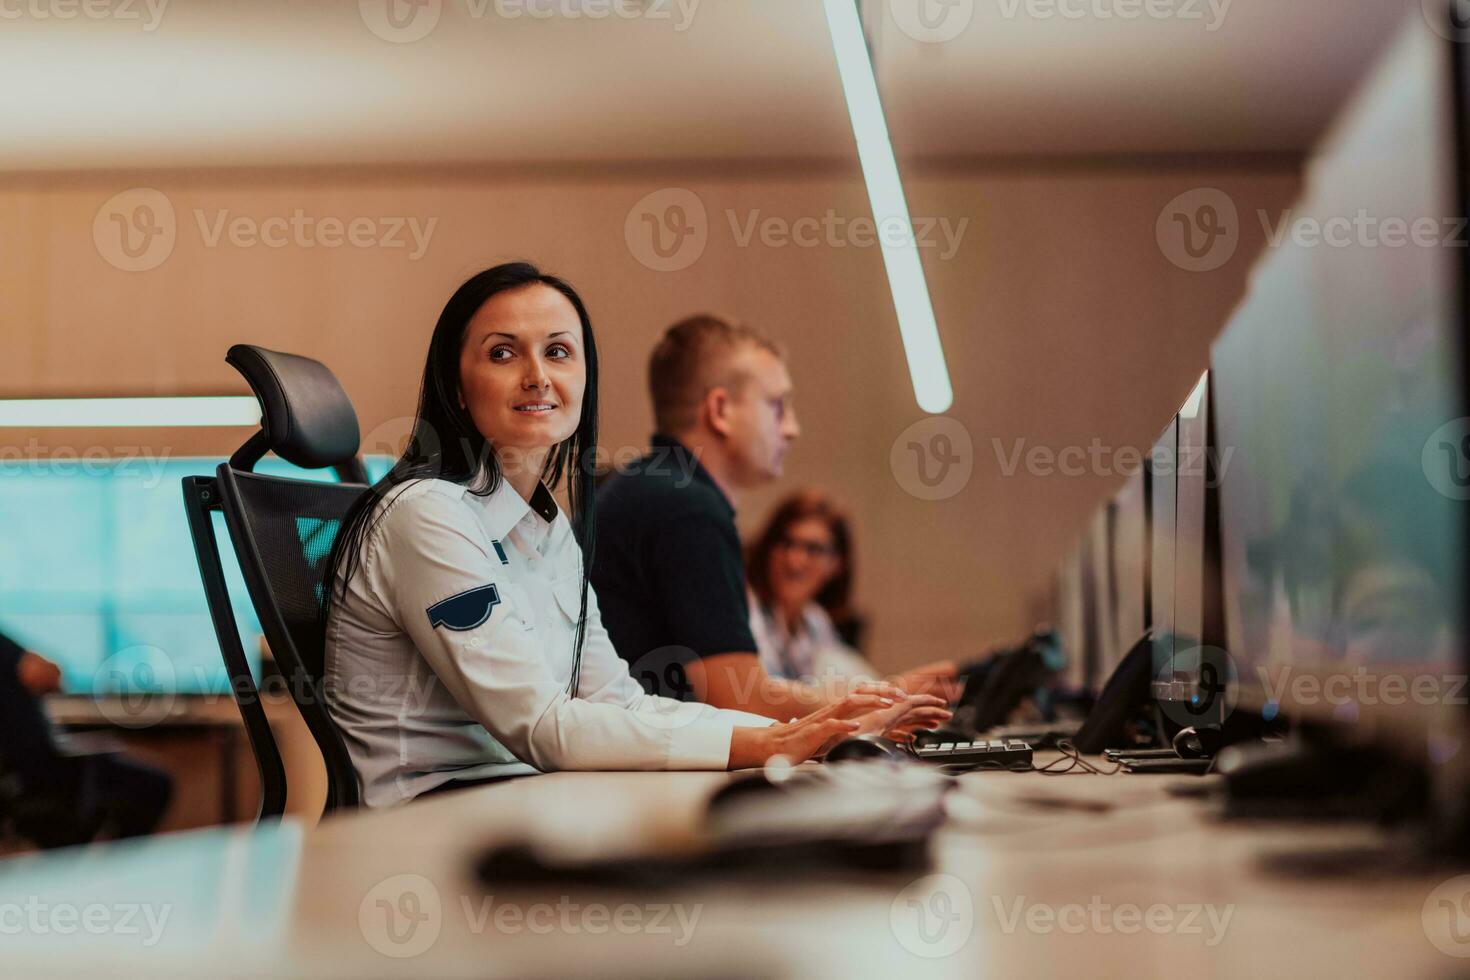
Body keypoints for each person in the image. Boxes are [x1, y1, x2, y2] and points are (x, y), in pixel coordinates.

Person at [321, 264, 948, 808]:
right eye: (503, 352)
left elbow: (620, 699)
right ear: (457, 388)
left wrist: (814, 725)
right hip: (432, 818)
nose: (538, 375)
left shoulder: (544, 527)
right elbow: (541, 726)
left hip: (519, 791)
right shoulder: (426, 513)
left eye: (559, 351)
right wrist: (776, 741)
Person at [592, 314, 961, 719]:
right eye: (777, 405)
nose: (792, 428)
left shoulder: (652, 487)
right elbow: (740, 700)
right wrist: (886, 696)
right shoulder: (686, 507)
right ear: (721, 410)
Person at [746, 490, 957, 694]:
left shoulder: (815, 621)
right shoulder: (745, 611)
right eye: (786, 543)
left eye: (813, 549)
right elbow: (761, 697)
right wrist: (889, 694)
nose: (795, 560)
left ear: (837, 563)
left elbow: (838, 685)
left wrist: (891, 693)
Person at [0, 630, 173, 846]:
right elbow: (46, 674)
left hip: (21, 774)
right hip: (42, 773)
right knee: (154, 785)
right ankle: (117, 871)